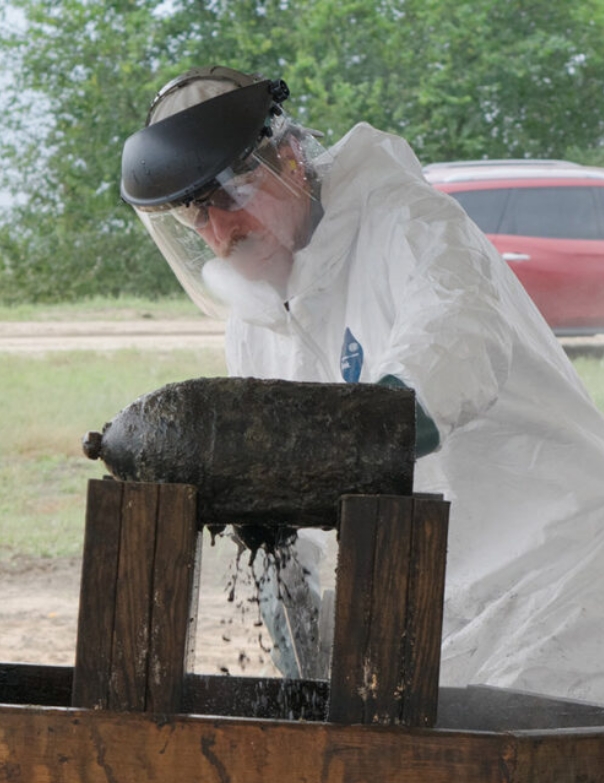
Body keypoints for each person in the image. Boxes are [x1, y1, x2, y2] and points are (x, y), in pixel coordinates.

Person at [121, 65, 604, 702]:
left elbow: (457, 342)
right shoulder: (258, 326)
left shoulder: (410, 223)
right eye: (194, 218)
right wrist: (289, 601)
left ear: (288, 159)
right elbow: (285, 515)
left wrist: (347, 445)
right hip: (434, 607)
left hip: (562, 581)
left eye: (230, 198)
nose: (219, 232)